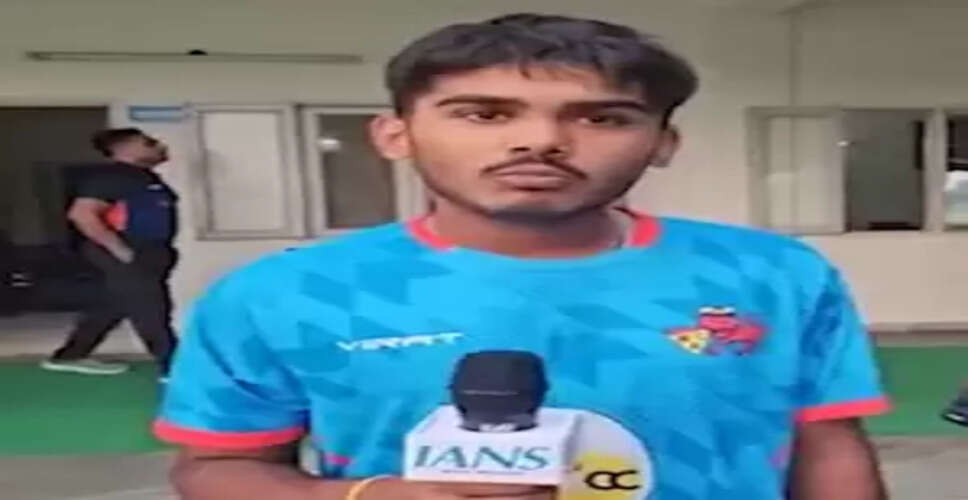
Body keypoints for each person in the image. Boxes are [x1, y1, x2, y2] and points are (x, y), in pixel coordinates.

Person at [155, 13, 890, 500]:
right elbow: (219, 466)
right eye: (484, 114)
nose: (540, 142)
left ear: (663, 143)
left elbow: (828, 448)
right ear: (394, 135)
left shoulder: (773, 274)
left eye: (601, 118)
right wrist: (360, 495)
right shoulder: (282, 294)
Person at [41, 128, 178, 379]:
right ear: (124, 149)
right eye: (149, 143)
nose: (159, 146)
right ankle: (174, 367)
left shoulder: (145, 178)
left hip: (149, 251)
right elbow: (82, 214)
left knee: (112, 304)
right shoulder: (113, 177)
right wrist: (120, 251)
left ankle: (70, 355)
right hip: (127, 251)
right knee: (151, 308)